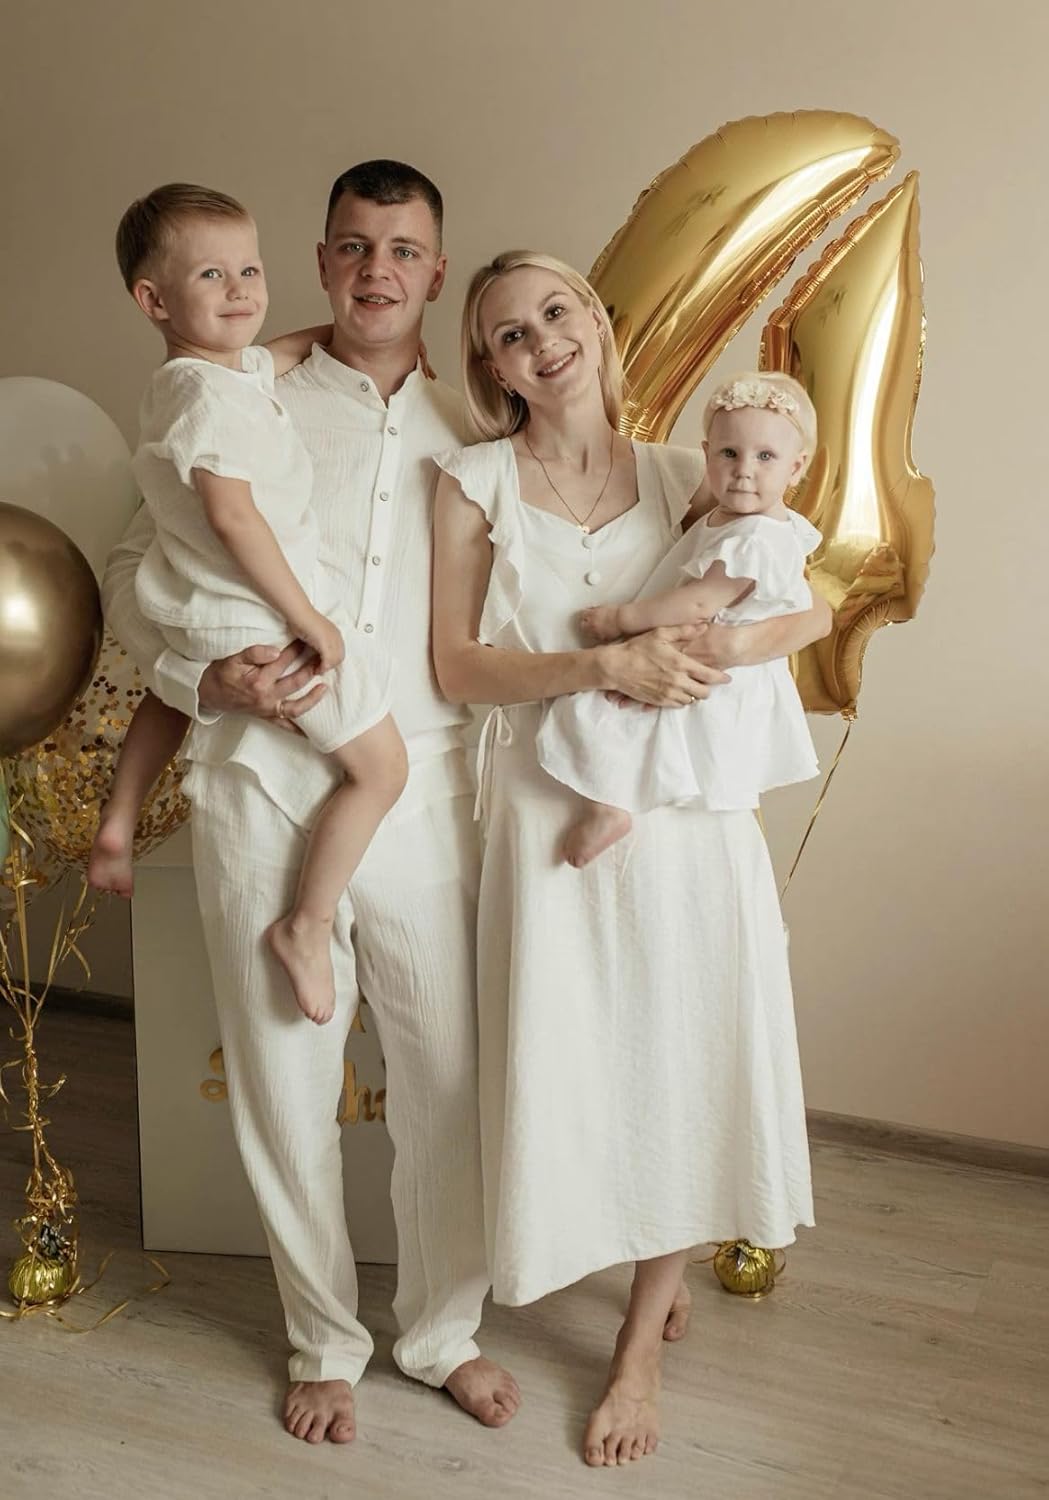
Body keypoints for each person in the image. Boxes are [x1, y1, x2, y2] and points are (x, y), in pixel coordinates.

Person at [102, 162, 540, 1446]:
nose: (375, 270)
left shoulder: (481, 433)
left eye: (401, 249)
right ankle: (322, 1341)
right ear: (322, 260)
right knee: (284, 1088)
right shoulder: (243, 390)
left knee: (448, 1080)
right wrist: (204, 676)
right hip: (260, 783)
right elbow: (132, 570)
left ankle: (442, 1331)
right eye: (352, 246)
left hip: (422, 789)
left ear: (436, 270)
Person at [431, 250, 826, 1467]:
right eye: (509, 333)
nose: (541, 341)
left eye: (555, 312)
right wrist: (603, 664)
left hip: (687, 816)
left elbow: (785, 593)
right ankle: (598, 1257)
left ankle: (639, 1342)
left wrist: (736, 654)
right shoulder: (472, 481)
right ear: (490, 367)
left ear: (596, 324)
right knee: (579, 1065)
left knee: (685, 1062)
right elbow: (455, 666)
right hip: (548, 805)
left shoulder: (687, 472)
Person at [88, 183, 407, 1026]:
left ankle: (118, 817)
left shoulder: (212, 376)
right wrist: (307, 618)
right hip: (260, 620)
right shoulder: (207, 399)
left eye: (250, 270)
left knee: (170, 696)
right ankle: (307, 925)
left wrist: (341, 333)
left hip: (199, 609)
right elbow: (233, 516)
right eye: (212, 275)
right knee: (381, 769)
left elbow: (286, 348)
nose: (240, 290)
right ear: (154, 301)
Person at [536, 370, 821, 867]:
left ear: (796, 468)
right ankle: (610, 804)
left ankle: (608, 808)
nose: (744, 471)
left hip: (706, 665)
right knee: (610, 714)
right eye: (729, 453)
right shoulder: (735, 518)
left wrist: (620, 619)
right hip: (697, 654)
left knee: (600, 713)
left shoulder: (757, 538)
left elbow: (697, 603)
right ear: (706, 454)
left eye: (765, 457)